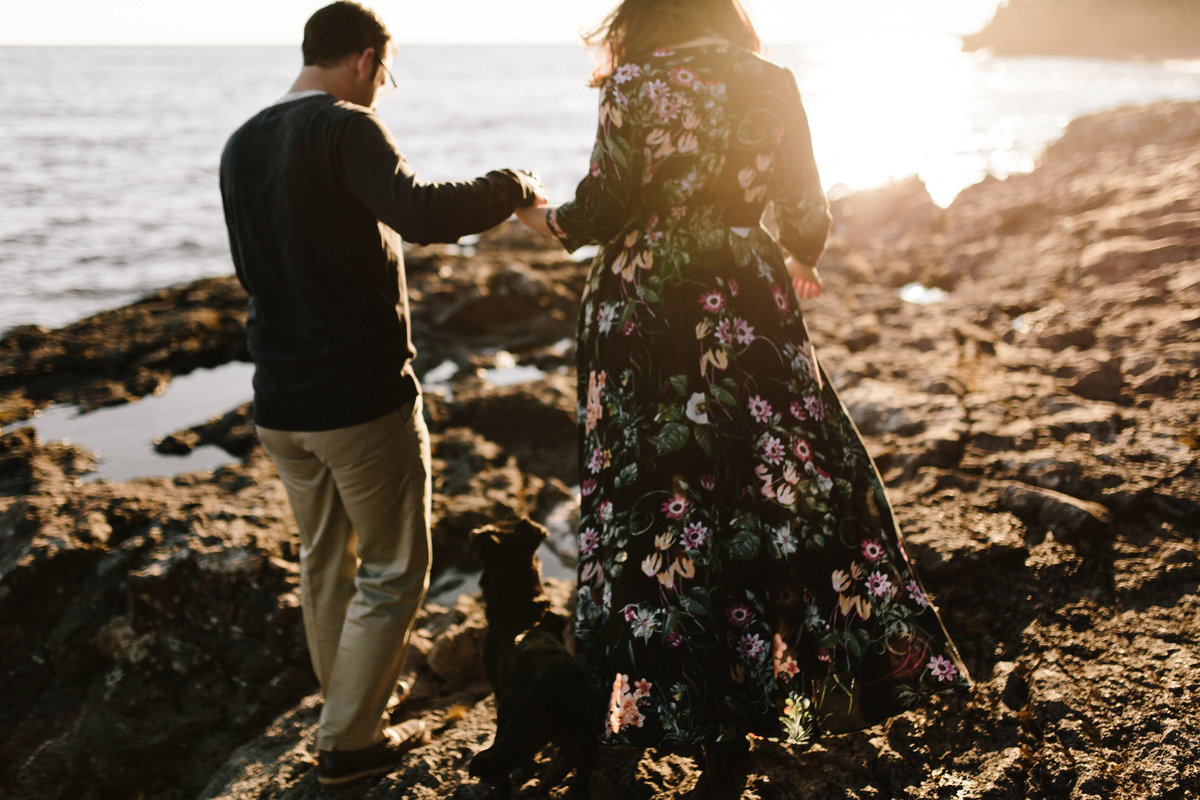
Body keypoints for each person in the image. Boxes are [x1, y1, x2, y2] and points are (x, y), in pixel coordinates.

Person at [516, 0, 970, 793]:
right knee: (788, 481)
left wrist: (541, 216)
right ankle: (831, 678)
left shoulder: (632, 83)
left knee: (658, 497)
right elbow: (805, 213)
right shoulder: (772, 81)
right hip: (746, 292)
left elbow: (605, 208)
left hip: (645, 305)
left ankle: (682, 701)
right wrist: (796, 256)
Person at [219, 1, 544, 787]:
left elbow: (251, 269)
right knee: (395, 567)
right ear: (365, 59)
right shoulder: (344, 127)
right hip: (358, 400)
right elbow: (421, 212)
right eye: (384, 74)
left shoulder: (242, 143)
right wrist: (511, 184)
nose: (380, 88)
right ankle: (350, 744)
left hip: (280, 404)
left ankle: (347, 708)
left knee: (327, 561)